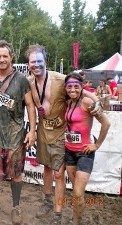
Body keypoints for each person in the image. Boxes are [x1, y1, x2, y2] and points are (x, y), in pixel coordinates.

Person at [25, 44, 102, 225]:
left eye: (39, 61)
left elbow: (80, 90)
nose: (36, 65)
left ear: (45, 61)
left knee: (59, 174)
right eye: (32, 62)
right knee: (46, 168)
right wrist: (33, 131)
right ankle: (46, 202)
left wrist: (97, 101)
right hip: (43, 130)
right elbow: (30, 106)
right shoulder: (28, 82)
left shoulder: (60, 79)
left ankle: (58, 211)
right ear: (28, 64)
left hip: (61, 132)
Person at [0, 40, 36, 225]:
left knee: (16, 173)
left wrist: (33, 131)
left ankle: (16, 206)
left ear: (11, 57)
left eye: (5, 56)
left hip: (15, 134)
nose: (2, 59)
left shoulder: (21, 79)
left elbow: (30, 105)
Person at [64, 72, 110, 225]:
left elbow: (106, 124)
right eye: (69, 87)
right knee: (76, 192)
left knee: (77, 193)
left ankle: (76, 222)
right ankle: (76, 217)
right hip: (69, 151)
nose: (72, 90)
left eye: (76, 87)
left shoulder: (87, 102)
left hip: (85, 152)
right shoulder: (67, 102)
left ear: (82, 87)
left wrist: (96, 145)